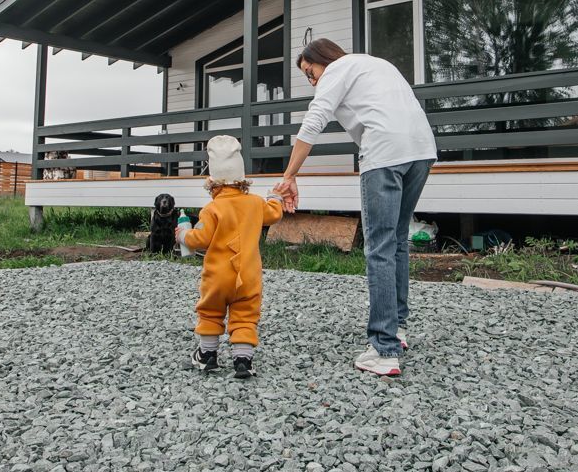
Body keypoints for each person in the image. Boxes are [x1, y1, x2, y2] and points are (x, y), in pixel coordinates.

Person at [275, 38, 436, 377]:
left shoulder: (337, 69)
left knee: (378, 248)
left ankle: (383, 348)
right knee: (396, 242)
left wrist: (289, 175)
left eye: (310, 71)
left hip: (385, 153)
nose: (312, 80)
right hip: (422, 150)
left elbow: (314, 119)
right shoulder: (375, 64)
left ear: (323, 60)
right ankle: (397, 329)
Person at [177, 134, 285, 379]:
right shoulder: (256, 203)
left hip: (217, 276)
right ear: (242, 181)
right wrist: (275, 197)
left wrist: (183, 235)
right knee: (246, 314)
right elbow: (274, 214)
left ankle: (207, 355)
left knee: (210, 312)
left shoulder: (212, 209)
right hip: (247, 275)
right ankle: (243, 359)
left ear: (212, 184)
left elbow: (201, 239)